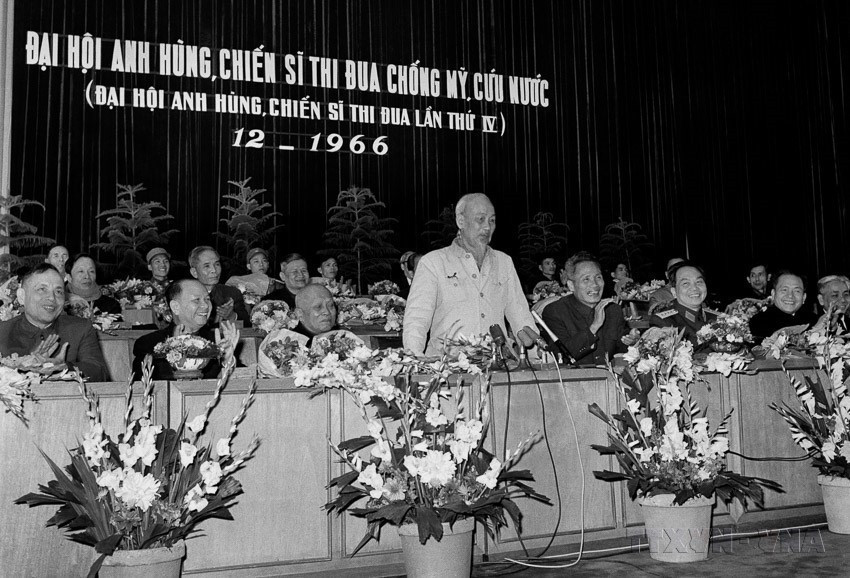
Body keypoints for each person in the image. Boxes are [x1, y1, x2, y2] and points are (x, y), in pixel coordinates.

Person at [403, 193, 541, 356]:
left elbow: (521, 315)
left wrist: (536, 360)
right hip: (447, 368)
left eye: (492, 220)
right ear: (460, 221)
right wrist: (414, 360)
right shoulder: (433, 262)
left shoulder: (504, 262)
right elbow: (416, 320)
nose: (488, 227)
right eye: (480, 219)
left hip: (499, 365)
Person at [0, 263, 108, 380]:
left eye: (58, 292)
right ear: (22, 296)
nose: (52, 297)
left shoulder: (80, 328)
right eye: (42, 289)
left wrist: (64, 367)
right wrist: (24, 366)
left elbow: (99, 372)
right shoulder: (2, 332)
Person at [131, 279, 239, 380]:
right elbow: (143, 388)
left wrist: (227, 361)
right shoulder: (149, 344)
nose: (206, 305)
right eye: (197, 300)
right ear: (175, 307)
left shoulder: (218, 342)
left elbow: (242, 382)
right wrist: (177, 355)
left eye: (207, 299)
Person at [541, 252, 628, 365]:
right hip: (573, 380)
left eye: (598, 277)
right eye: (586, 279)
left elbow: (621, 350)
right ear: (571, 285)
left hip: (609, 378)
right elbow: (562, 356)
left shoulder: (613, 310)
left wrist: (631, 341)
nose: (595, 285)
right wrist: (594, 327)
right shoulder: (555, 312)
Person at [649, 261, 716, 347]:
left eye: (699, 282)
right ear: (674, 292)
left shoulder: (716, 317)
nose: (694, 288)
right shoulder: (664, 322)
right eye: (685, 283)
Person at [188, 246, 250, 328]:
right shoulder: (187, 295)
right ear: (194, 272)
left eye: (217, 264)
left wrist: (231, 316)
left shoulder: (232, 293)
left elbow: (248, 324)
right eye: (207, 266)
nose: (214, 270)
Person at [749, 271, 816, 340]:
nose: (790, 295)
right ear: (773, 294)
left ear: (804, 297)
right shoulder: (758, 322)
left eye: (797, 291)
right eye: (784, 290)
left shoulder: (814, 321)